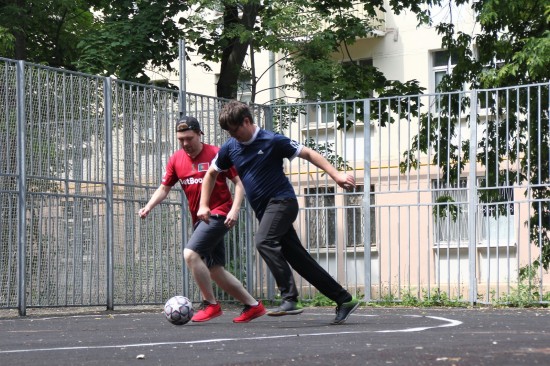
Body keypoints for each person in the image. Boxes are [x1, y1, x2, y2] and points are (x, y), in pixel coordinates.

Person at [198, 101, 360, 325]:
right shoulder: (230, 147)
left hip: (283, 202)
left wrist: (337, 175)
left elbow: (309, 154)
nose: (233, 135)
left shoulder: (272, 140)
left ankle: (289, 298)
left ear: (247, 121)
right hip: (265, 211)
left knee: (263, 241)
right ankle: (344, 299)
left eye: (235, 130)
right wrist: (203, 204)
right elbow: (211, 174)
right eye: (229, 132)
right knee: (299, 260)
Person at [138, 116, 266, 323]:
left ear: (200, 134)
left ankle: (211, 304)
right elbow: (164, 188)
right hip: (200, 219)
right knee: (215, 270)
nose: (185, 143)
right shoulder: (176, 159)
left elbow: (240, 183)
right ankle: (253, 305)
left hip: (219, 212)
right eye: (181, 140)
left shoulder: (217, 154)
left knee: (190, 254)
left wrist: (235, 209)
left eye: (189, 138)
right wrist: (149, 206)